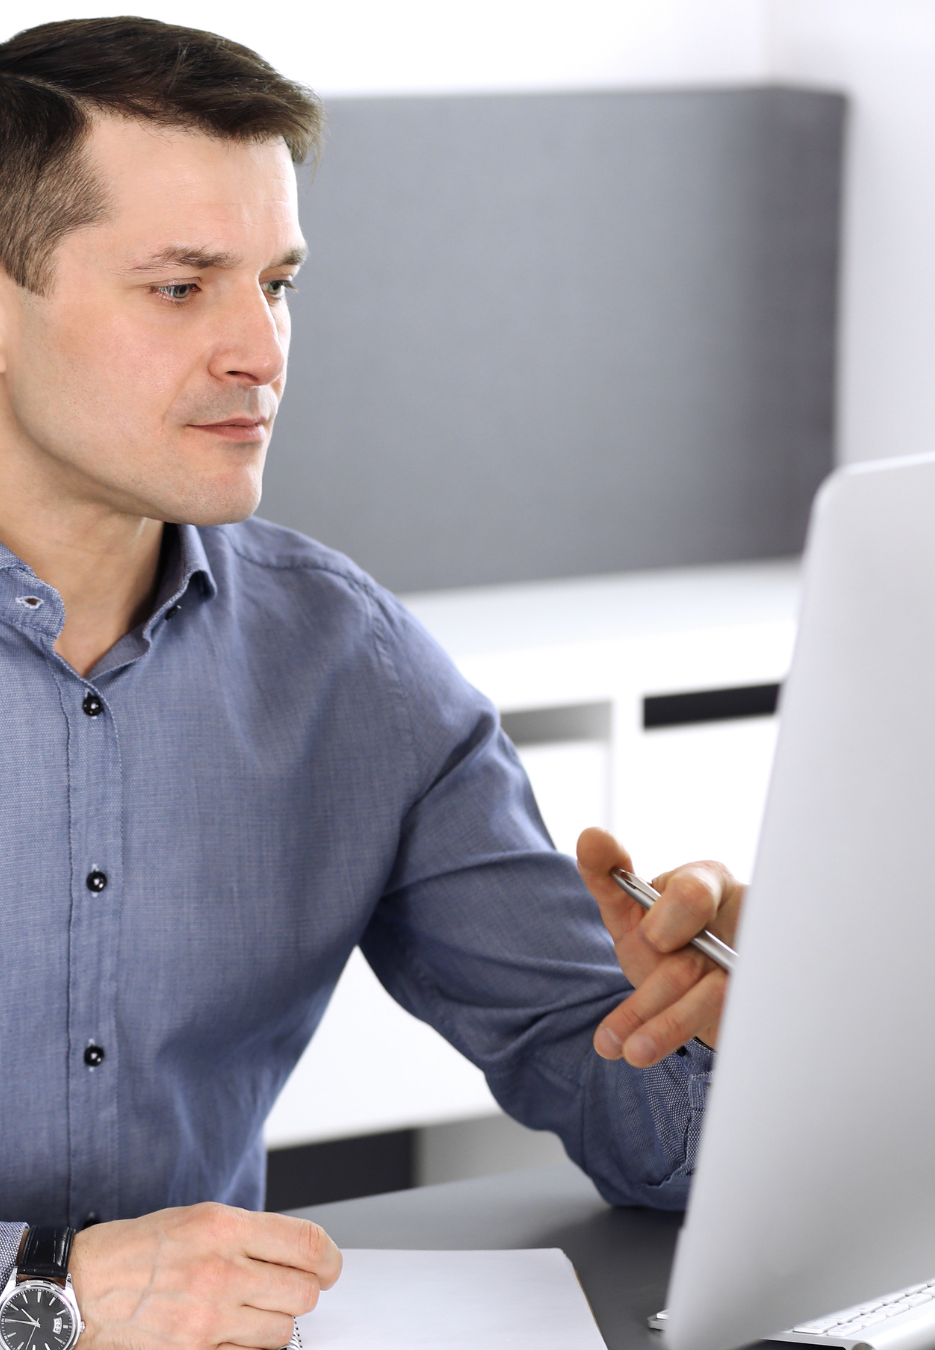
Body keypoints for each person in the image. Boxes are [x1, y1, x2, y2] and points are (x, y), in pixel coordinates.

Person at [0, 17, 743, 1350]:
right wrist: (40, 1289)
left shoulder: (353, 670)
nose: (261, 351)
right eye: (182, 287)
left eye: (276, 283)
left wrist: (739, 1022)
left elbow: (664, 1145)